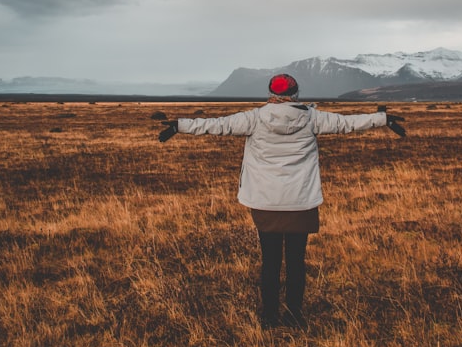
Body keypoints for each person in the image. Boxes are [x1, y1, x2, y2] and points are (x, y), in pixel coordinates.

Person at [157, 73, 406, 330]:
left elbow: (216, 125)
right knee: (296, 261)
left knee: (270, 261)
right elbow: (349, 123)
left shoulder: (254, 118)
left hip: (266, 203)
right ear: (296, 94)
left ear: (271, 94)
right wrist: (382, 119)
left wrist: (179, 125)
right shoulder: (312, 118)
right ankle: (295, 316)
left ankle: (269, 317)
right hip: (301, 202)